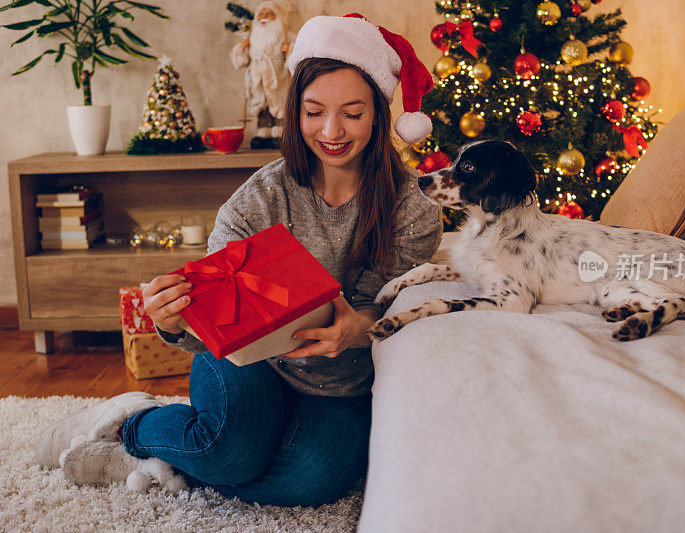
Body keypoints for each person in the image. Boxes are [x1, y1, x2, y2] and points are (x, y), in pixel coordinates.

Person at [35, 13, 442, 507]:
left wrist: (359, 327)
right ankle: (130, 423)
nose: (331, 131)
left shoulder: (414, 208)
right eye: (314, 111)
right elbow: (212, 320)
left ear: (379, 112)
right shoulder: (258, 201)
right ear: (296, 113)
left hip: (340, 385)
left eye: (352, 113)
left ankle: (171, 459)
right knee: (230, 454)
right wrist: (173, 320)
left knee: (309, 479)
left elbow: (399, 309)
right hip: (250, 364)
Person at [230, 1, 295, 150]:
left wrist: (288, 51)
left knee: (279, 102)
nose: (264, 17)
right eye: (261, 14)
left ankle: (279, 132)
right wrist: (242, 48)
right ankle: (263, 132)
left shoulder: (285, 34)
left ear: (276, 16)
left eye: (268, 14)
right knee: (261, 104)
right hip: (258, 76)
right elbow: (241, 61)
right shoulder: (253, 37)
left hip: (276, 76)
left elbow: (297, 51)